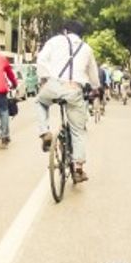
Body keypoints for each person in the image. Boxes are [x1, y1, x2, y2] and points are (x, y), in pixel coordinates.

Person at [35, 19, 100, 183]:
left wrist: (45, 80)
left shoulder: (54, 41)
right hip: (74, 89)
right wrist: (95, 88)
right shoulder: (86, 48)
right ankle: (78, 168)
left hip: (54, 85)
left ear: (65, 31)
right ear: (81, 34)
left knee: (40, 102)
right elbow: (93, 75)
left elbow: (41, 60)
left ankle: (45, 132)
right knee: (78, 130)